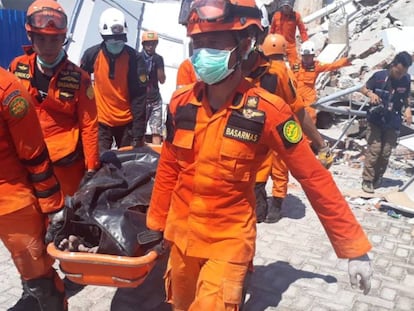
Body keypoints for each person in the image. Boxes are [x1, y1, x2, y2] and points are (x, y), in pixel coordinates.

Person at [147, 0, 373, 309]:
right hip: (181, 239)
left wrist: (353, 247)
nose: (202, 52)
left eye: (213, 42)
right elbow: (169, 167)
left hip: (227, 243)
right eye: (197, 43)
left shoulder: (268, 111)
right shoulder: (181, 103)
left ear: (244, 44)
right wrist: (155, 224)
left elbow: (312, 176)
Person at [9, 0, 100, 196]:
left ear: (64, 38)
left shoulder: (80, 79)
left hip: (65, 166)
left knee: (63, 218)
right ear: (30, 36)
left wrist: (92, 167)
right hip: (27, 161)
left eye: (54, 40)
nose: (48, 46)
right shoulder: (17, 67)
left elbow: (89, 125)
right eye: (41, 39)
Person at [245, 33, 332, 223]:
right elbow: (297, 107)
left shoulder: (253, 69)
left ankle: (260, 208)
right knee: (279, 168)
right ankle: (274, 206)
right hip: (280, 126)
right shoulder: (283, 72)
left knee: (260, 167)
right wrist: (321, 144)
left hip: (258, 127)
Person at [0, 66, 66, 310]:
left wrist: (52, 207)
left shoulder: (8, 91)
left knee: (39, 279)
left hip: (12, 204)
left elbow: (35, 155)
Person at [80, 7, 147, 153]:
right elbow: (81, 86)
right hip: (101, 121)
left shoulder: (135, 59)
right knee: (97, 162)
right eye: (112, 41)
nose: (116, 44)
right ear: (103, 37)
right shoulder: (92, 55)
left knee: (128, 166)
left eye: (120, 40)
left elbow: (139, 97)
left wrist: (138, 133)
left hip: (127, 122)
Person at [360, 51, 412, 193]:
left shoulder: (406, 80)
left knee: (386, 152)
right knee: (375, 150)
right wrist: (371, 94)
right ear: (393, 65)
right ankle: (367, 180)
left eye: (403, 73)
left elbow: (406, 97)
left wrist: (407, 109)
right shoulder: (379, 77)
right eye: (398, 72)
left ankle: (378, 177)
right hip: (376, 119)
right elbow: (363, 88)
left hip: (392, 120)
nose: (399, 75)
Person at [292, 40, 356, 123]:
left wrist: (347, 60)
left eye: (309, 56)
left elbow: (333, 66)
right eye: (304, 56)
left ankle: (309, 135)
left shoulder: (317, 66)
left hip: (308, 97)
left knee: (310, 116)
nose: (306, 58)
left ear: (313, 56)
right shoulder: (296, 66)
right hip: (295, 95)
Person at [139, 30, 166, 145]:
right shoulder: (138, 58)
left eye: (153, 44)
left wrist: (158, 65)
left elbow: (162, 80)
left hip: (155, 99)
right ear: (143, 44)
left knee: (156, 131)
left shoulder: (158, 59)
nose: (150, 47)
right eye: (148, 44)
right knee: (139, 130)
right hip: (141, 100)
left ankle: (156, 157)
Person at [269, 0, 308, 66]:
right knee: (276, 66)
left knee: (295, 66)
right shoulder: (276, 16)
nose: (286, 9)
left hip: (291, 45)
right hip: (278, 45)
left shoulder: (296, 16)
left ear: (291, 7)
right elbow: (271, 31)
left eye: (287, 7)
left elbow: (302, 31)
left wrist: (306, 43)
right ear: (282, 6)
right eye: (284, 7)